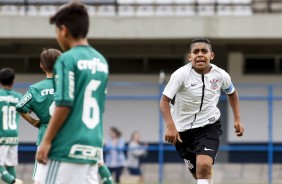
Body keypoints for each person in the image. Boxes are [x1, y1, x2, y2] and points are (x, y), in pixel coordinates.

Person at [36, 2, 109, 184]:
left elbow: (63, 104)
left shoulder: (66, 60)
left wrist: (46, 141)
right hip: (92, 146)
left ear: (63, 30)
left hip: (66, 148)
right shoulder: (100, 61)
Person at [159, 37, 244, 184]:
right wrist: (170, 126)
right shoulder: (180, 75)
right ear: (189, 56)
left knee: (204, 166)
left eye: (204, 51)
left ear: (211, 55)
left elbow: (232, 93)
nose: (200, 54)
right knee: (198, 174)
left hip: (208, 126)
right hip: (182, 130)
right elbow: (164, 101)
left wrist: (237, 119)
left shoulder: (220, 75)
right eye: (195, 51)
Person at [16, 48, 61, 184]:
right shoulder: (70, 86)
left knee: (40, 179)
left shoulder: (36, 89)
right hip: (67, 138)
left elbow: (20, 106)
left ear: (41, 66)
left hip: (45, 137)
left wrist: (33, 121)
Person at [0, 68, 23, 184]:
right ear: (13, 81)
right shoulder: (18, 96)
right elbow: (26, 111)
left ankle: (12, 182)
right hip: (13, 135)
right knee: (10, 165)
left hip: (1, 135)